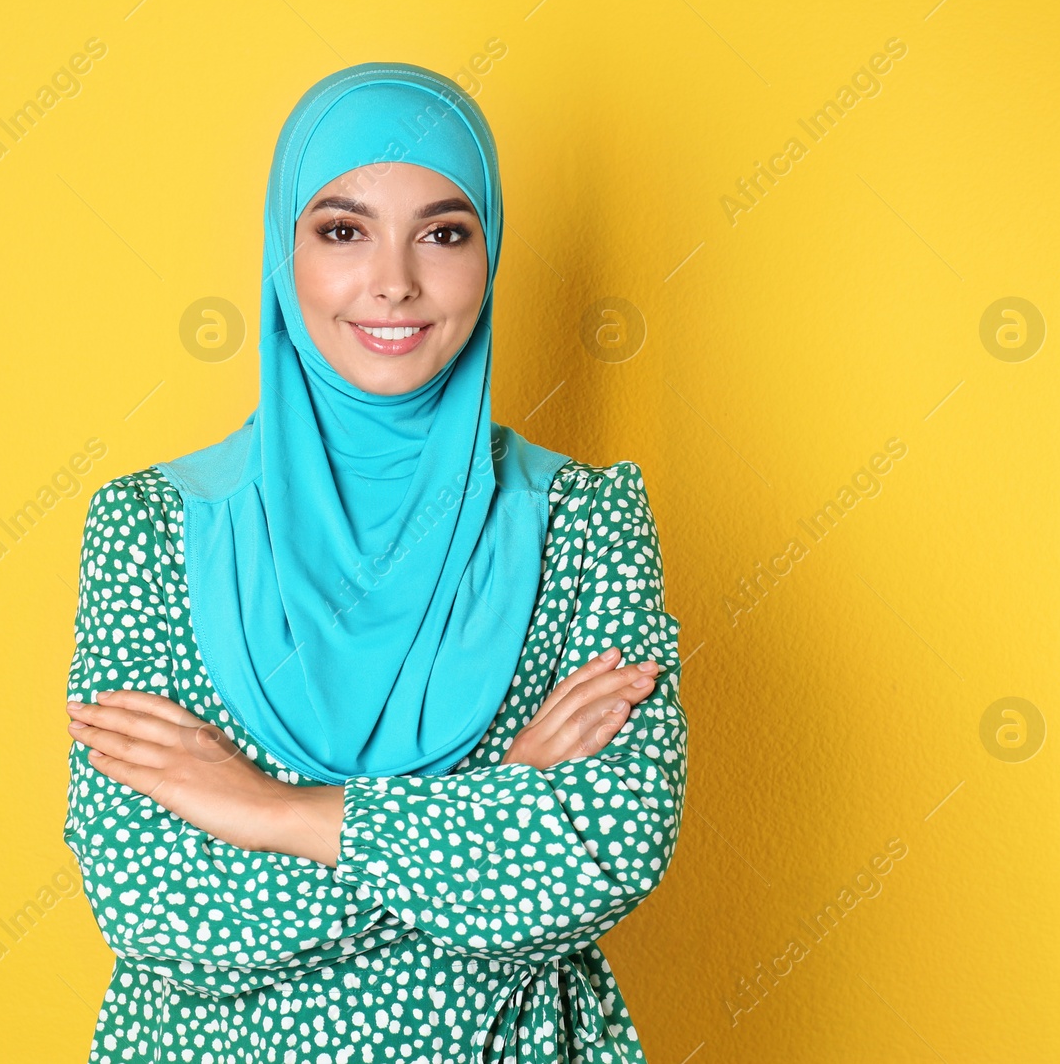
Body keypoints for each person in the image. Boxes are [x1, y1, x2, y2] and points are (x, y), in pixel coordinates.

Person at [62, 61, 687, 1062]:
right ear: (283, 247)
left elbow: (605, 848)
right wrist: (489, 812)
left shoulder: (583, 518)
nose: (394, 279)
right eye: (343, 230)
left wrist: (271, 812)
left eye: (443, 232)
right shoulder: (152, 527)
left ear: (489, 252)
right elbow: (151, 903)